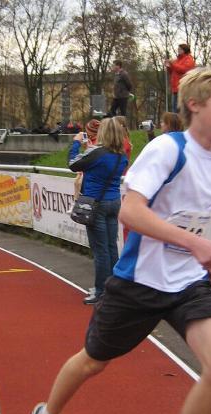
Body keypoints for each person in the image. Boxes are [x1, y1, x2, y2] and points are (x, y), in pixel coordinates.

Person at [26, 66, 211, 414]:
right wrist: (195, 244)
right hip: (139, 281)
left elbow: (190, 217)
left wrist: (201, 253)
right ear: (194, 104)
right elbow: (131, 212)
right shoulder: (167, 149)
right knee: (92, 362)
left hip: (188, 283)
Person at [69, 118, 129, 305]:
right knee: (111, 247)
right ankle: (114, 289)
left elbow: (73, 164)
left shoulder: (97, 152)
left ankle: (101, 291)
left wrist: (76, 144)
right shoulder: (121, 155)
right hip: (113, 201)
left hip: (96, 203)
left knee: (100, 250)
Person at [165, 44, 196, 113]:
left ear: (184, 50)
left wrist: (173, 64)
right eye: (178, 49)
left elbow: (184, 69)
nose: (178, 51)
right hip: (175, 88)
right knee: (175, 109)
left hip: (183, 88)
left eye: (180, 49)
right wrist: (169, 66)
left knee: (181, 109)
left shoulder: (189, 59)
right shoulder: (177, 60)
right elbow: (172, 72)